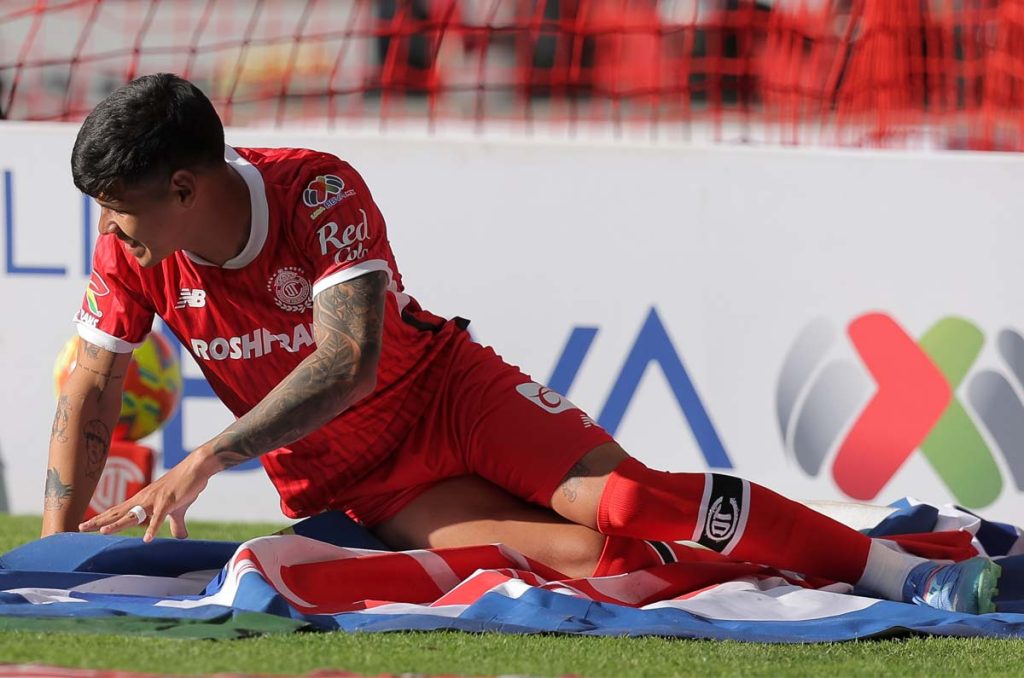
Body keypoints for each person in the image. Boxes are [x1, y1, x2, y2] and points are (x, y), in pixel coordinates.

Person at [44, 73, 1000, 613]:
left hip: (450, 395)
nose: (112, 233)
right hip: (368, 486)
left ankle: (906, 572)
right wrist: (49, 558)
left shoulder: (316, 191)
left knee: (633, 502)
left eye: (123, 213)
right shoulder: (134, 250)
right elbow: (90, 382)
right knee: (597, 565)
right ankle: (801, 560)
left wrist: (208, 455)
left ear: (183, 188)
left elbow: (349, 361)